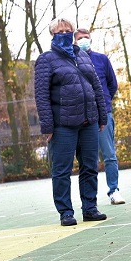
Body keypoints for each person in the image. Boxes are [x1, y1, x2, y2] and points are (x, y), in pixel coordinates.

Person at [34, 18, 108, 226]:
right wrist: (47, 126)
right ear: (52, 34)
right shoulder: (46, 60)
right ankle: (66, 212)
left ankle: (90, 208)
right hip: (62, 125)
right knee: (62, 170)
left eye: (68, 30)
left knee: (90, 167)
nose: (65, 33)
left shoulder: (83, 56)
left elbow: (97, 88)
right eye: (60, 31)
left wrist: (101, 116)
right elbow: (41, 95)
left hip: (89, 121)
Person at [74, 28, 125, 205]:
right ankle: (89, 196)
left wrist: (103, 103)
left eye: (86, 37)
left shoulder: (102, 59)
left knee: (109, 155)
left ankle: (114, 190)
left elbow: (112, 84)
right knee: (88, 159)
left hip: (104, 115)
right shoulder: (72, 61)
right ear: (75, 41)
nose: (83, 40)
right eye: (79, 38)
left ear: (91, 39)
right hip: (83, 116)